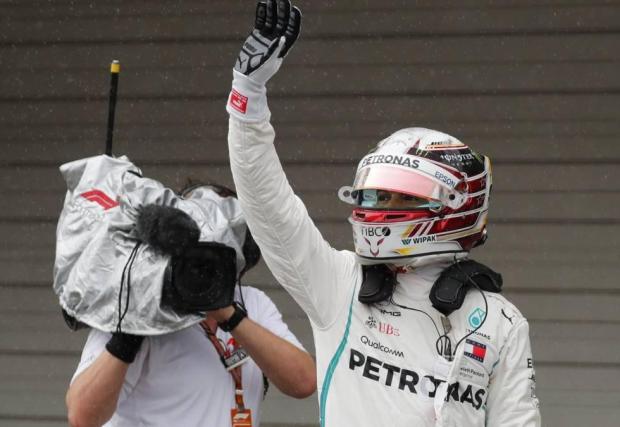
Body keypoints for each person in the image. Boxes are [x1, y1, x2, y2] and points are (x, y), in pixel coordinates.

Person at [224, 1, 541, 426]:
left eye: (397, 199)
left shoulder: (500, 322)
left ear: (454, 205)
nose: (377, 212)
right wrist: (247, 95)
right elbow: (268, 207)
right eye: (373, 197)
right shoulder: (342, 285)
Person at [64, 181, 316, 427]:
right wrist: (130, 332)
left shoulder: (252, 303)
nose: (202, 263)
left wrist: (229, 315)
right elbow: (82, 417)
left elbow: (304, 382)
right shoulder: (139, 304)